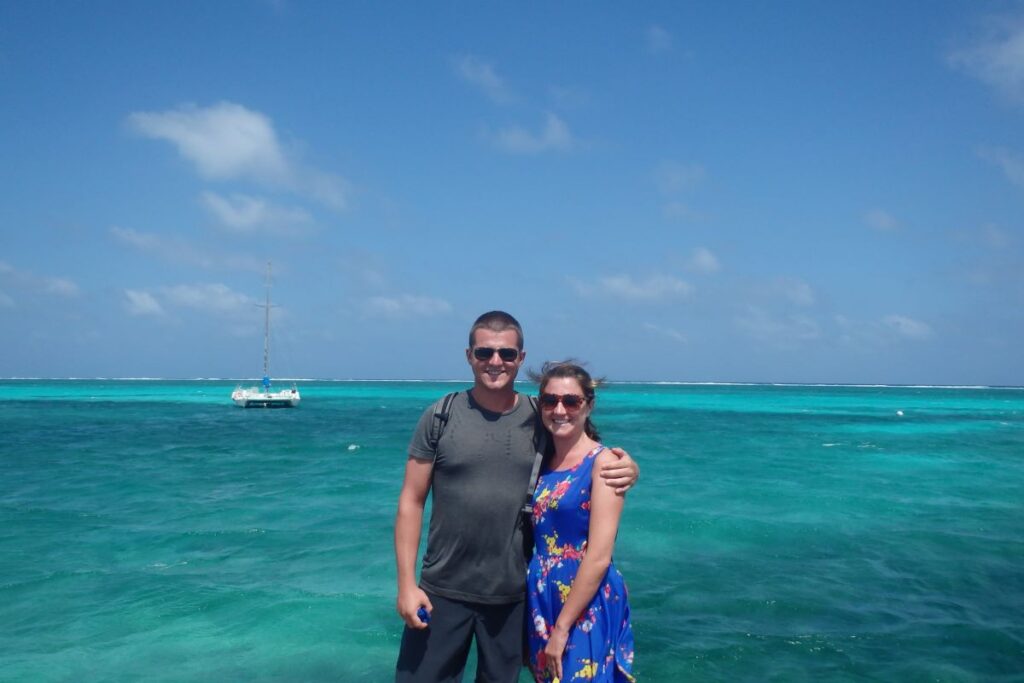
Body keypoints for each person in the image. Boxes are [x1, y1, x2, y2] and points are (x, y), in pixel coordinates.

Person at [395, 311, 638, 683]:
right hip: (441, 589)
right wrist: (406, 586)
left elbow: (581, 452)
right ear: (469, 356)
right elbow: (411, 501)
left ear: (520, 359)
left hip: (512, 597)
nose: (496, 362)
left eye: (507, 354)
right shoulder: (440, 416)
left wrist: (628, 467)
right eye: (485, 352)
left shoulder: (537, 416)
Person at [526, 361, 635, 683]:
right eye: (550, 401)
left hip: (584, 601)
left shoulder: (604, 463)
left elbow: (599, 556)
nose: (560, 410)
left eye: (571, 401)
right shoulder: (541, 460)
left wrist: (561, 629)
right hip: (542, 596)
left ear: (589, 405)